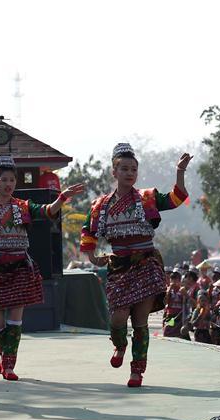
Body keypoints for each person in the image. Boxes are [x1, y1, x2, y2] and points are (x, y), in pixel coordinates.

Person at [80, 143, 192, 387]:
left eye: (133, 169)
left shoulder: (147, 198)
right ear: (114, 172)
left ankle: (137, 371)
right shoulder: (100, 206)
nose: (130, 173)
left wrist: (180, 172)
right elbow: (88, 231)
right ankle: (120, 346)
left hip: (145, 264)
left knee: (140, 321)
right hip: (119, 266)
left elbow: (177, 198)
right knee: (118, 319)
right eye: (124, 169)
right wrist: (91, 257)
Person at [0, 154, 84, 380]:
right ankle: (4, 353)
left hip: (19, 266)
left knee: (15, 317)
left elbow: (47, 210)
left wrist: (62, 198)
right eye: (3, 180)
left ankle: (9, 365)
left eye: (11, 180)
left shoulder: (23, 206)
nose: (8, 184)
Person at [163, 270, 184, 338]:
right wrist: (169, 290)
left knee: (178, 334)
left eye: (176, 280)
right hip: (170, 314)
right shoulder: (169, 290)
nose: (174, 282)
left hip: (179, 315)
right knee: (167, 331)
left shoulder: (182, 290)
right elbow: (165, 301)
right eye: (172, 280)